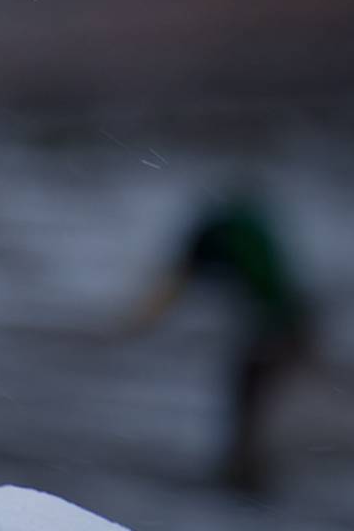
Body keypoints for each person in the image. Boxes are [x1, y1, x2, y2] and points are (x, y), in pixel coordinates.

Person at [120, 186, 315, 491]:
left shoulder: (217, 237)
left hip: (277, 329)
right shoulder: (238, 232)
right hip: (284, 324)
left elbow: (170, 291)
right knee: (251, 398)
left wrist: (133, 328)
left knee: (249, 395)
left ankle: (244, 471)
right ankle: (245, 468)